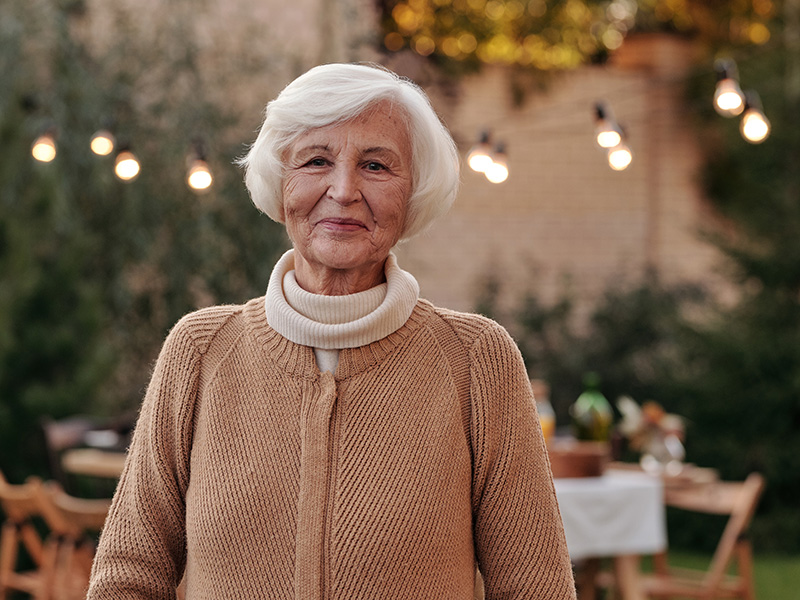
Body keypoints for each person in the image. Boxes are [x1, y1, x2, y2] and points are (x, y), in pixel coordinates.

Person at [87, 63, 576, 600]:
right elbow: (128, 575)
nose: (343, 190)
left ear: (414, 191)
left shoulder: (477, 360)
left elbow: (536, 587)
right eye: (316, 160)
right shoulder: (200, 351)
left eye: (376, 165)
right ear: (280, 181)